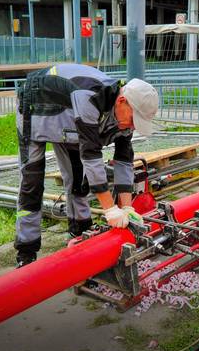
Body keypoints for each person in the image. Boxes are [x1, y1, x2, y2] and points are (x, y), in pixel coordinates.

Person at [14, 63, 159, 267]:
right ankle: (26, 251)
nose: (134, 126)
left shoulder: (124, 115)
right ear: (122, 101)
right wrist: (110, 210)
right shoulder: (91, 97)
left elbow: (124, 161)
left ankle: (80, 232)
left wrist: (126, 207)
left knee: (77, 179)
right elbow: (92, 156)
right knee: (32, 182)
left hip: (68, 116)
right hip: (37, 103)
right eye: (135, 119)